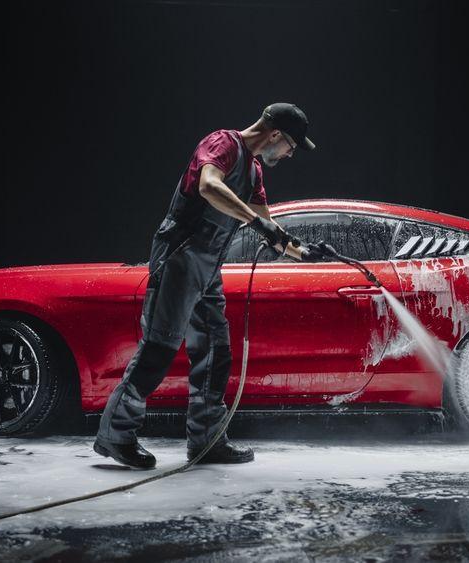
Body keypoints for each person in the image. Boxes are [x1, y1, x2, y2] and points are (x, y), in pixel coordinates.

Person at [93, 103, 320, 469]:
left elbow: (268, 225)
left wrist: (302, 251)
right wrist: (258, 226)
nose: (291, 154)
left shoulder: (254, 171)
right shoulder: (222, 144)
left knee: (216, 352)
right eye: (292, 145)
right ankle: (115, 436)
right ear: (276, 134)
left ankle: (207, 441)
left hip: (208, 267)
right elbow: (209, 185)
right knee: (158, 348)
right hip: (180, 257)